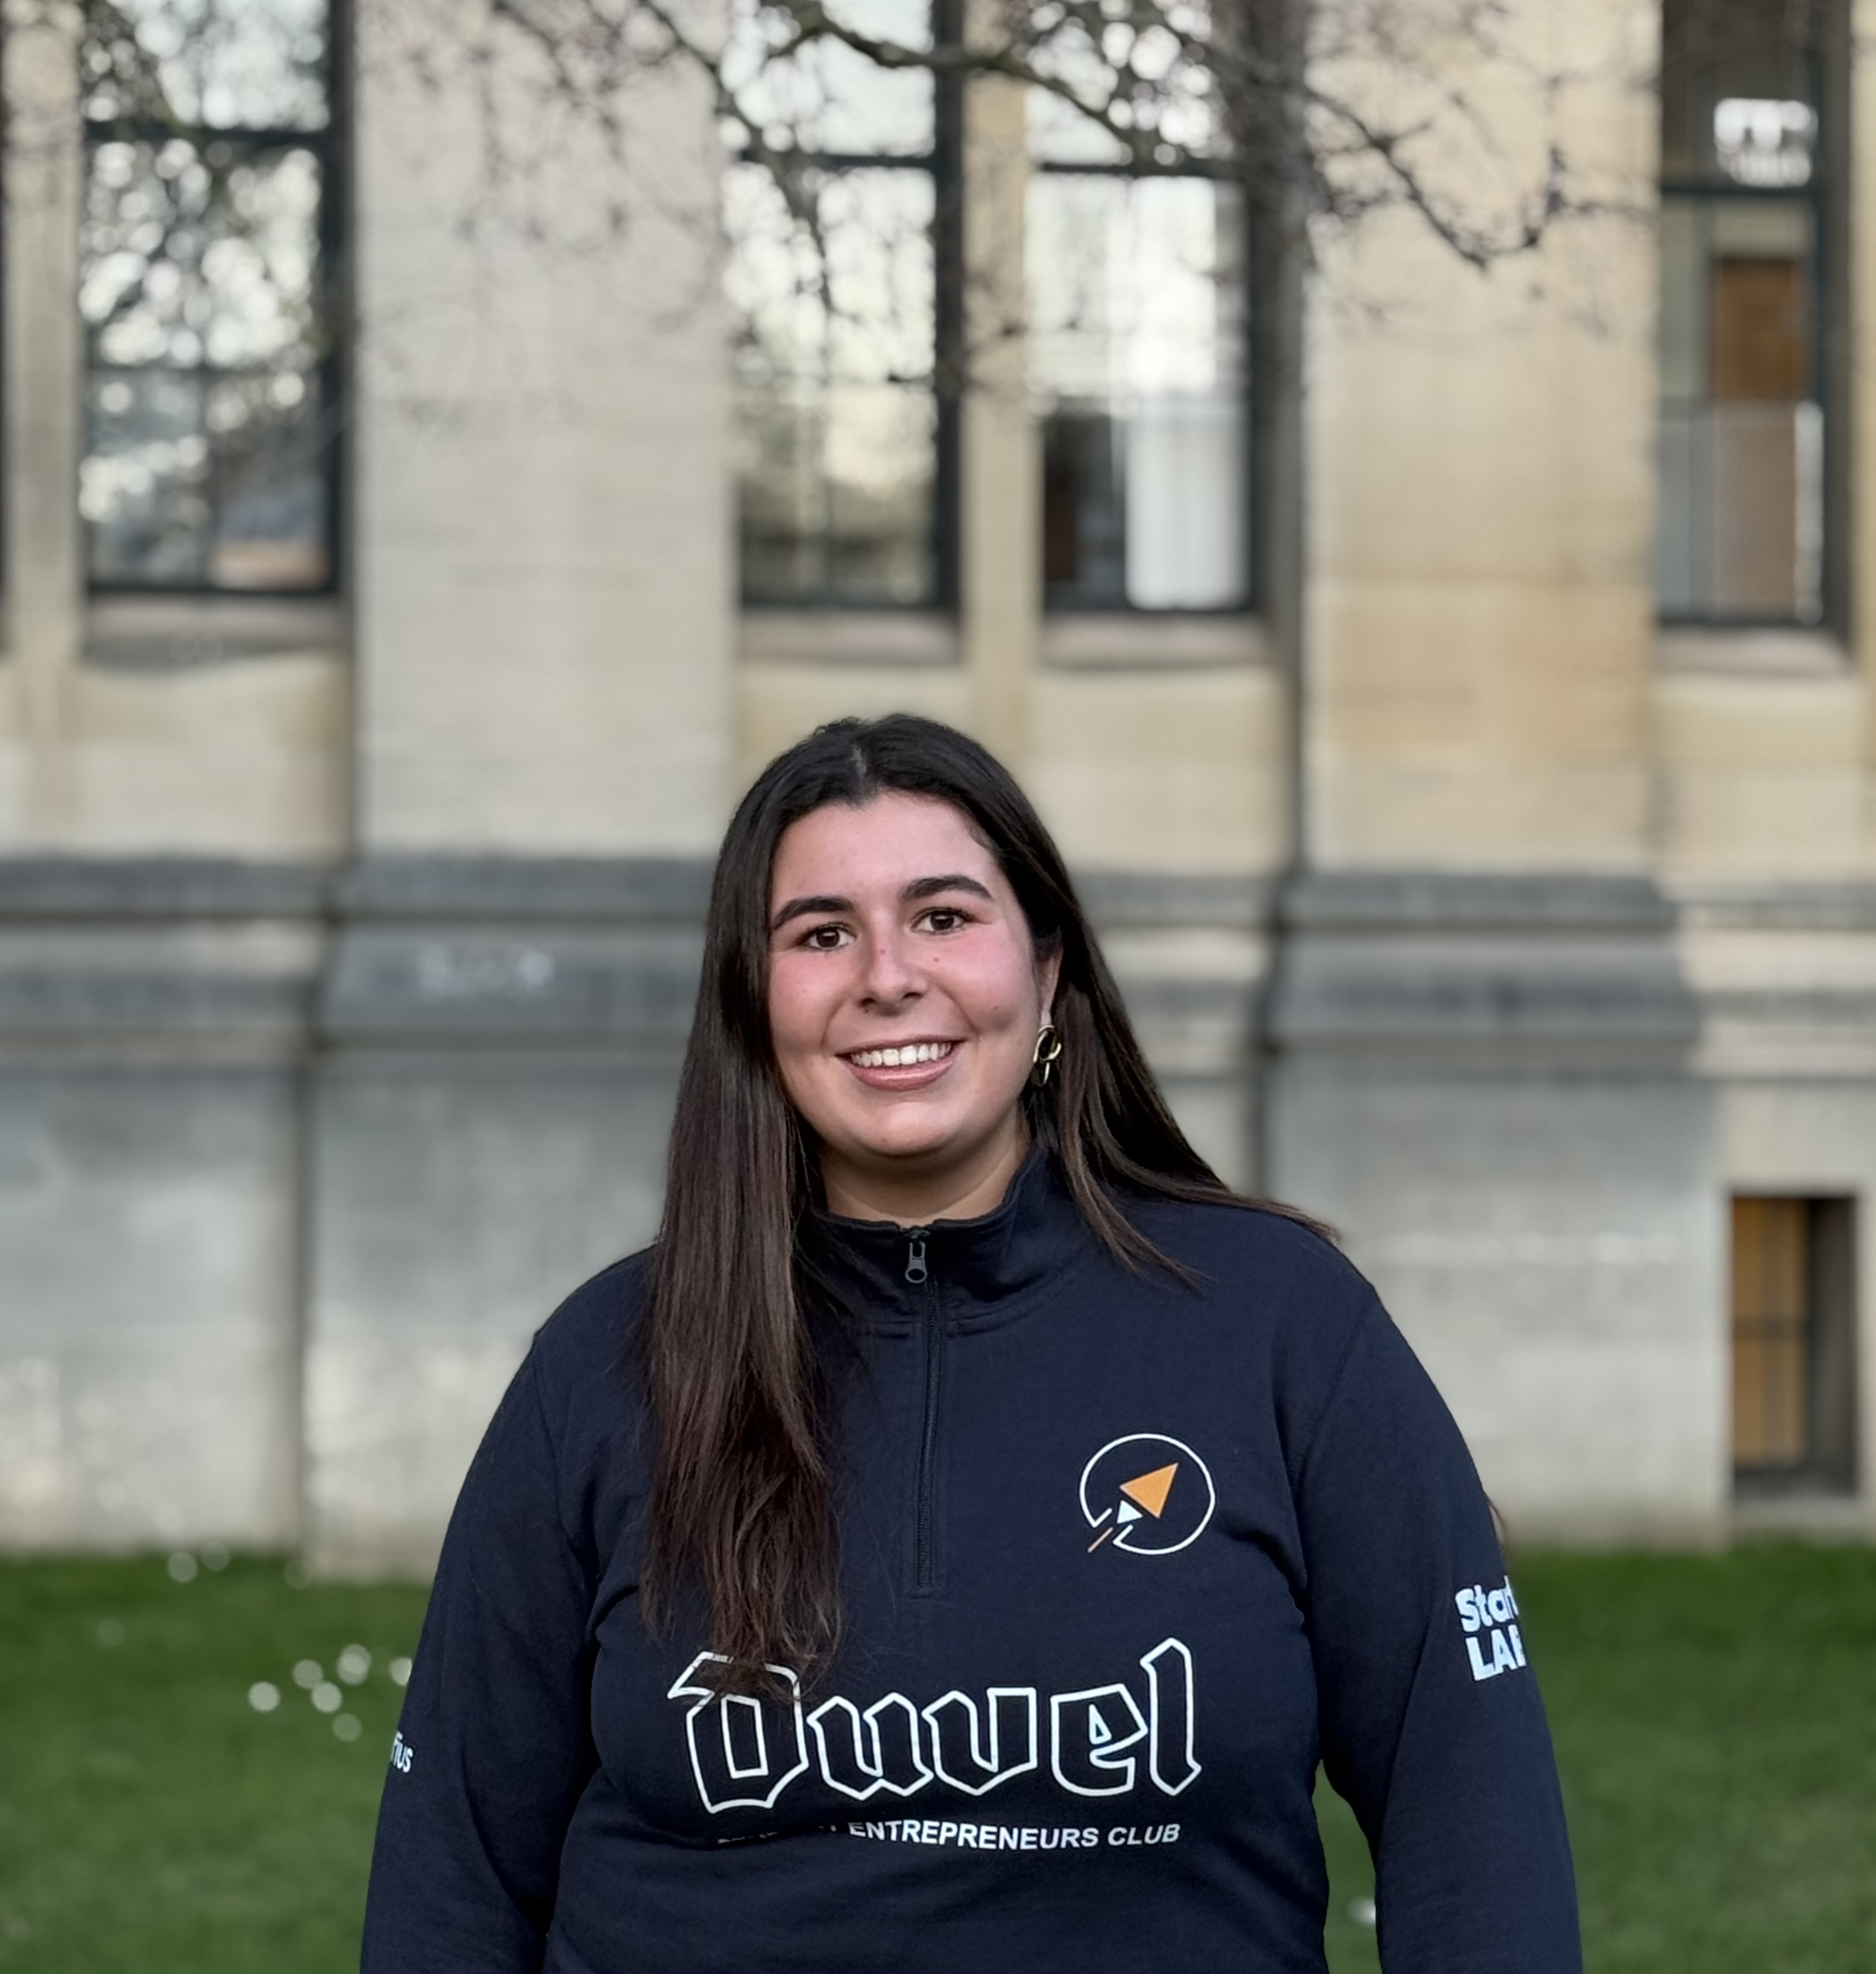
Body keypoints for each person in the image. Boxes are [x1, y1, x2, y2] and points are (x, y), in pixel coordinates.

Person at [361, 713, 1580, 1974]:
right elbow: (450, 1872)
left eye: (943, 917)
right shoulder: (606, 1362)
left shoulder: (1279, 1323)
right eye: (820, 933)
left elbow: (1472, 1821)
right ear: (753, 995)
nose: (886, 975)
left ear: (1046, 971)